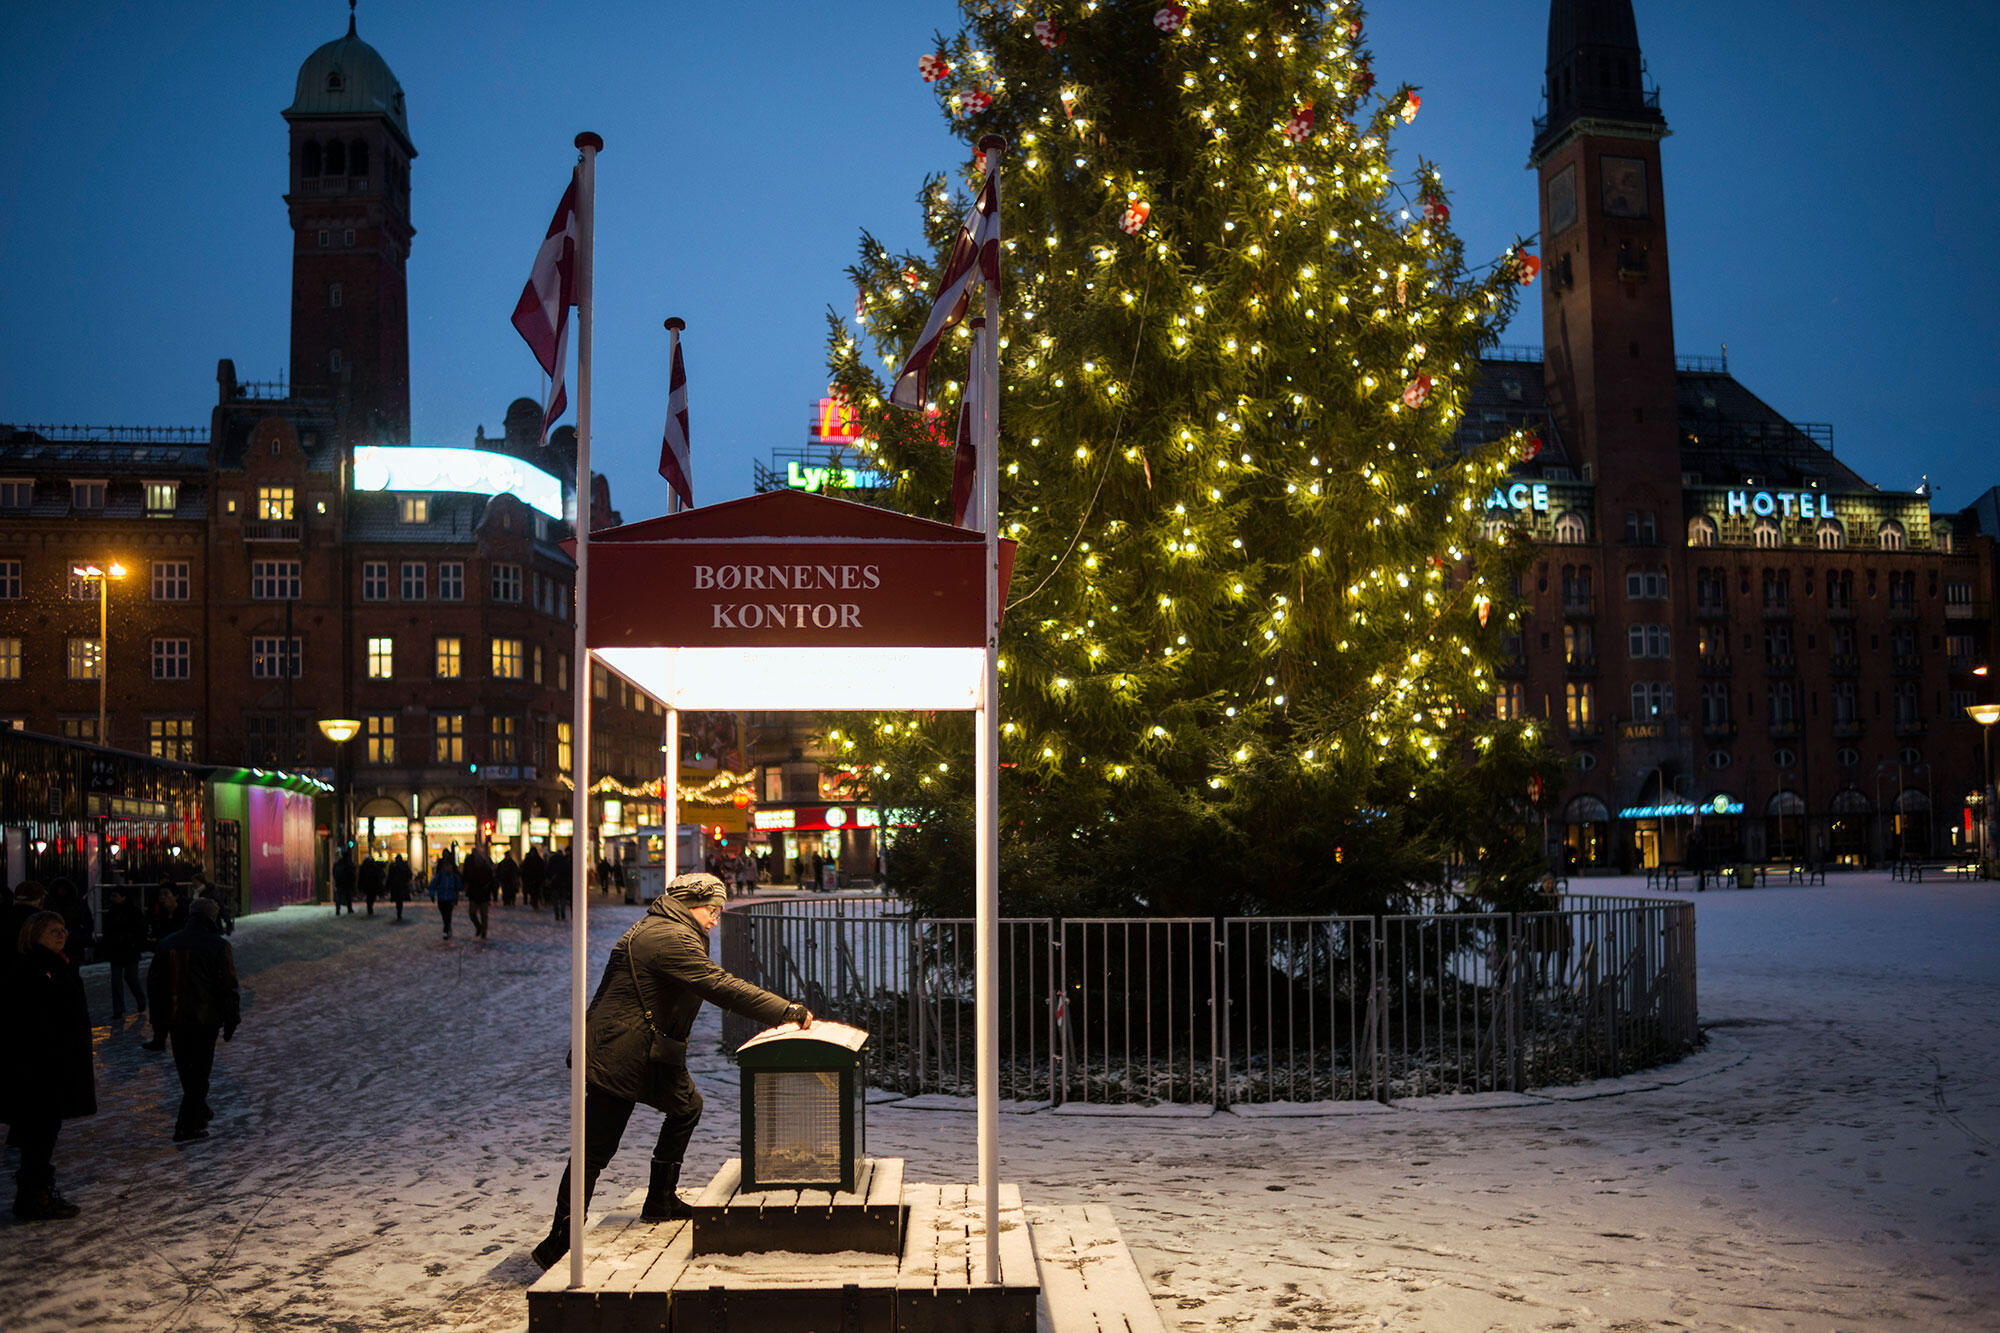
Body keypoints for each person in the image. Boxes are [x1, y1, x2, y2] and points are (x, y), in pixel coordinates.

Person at [529, 872, 811, 1270]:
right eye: (712, 909)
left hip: (650, 1049)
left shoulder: (668, 928)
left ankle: (660, 1199)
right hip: (622, 1051)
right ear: (689, 904)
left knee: (686, 1107)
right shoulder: (668, 937)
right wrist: (785, 1010)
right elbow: (719, 985)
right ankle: (560, 1238)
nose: (716, 918)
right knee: (595, 1147)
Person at [3, 911, 95, 1219]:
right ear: (34, 935)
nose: (60, 935)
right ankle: (34, 1196)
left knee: (43, 1132)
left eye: (63, 929)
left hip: (50, 1064)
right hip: (41, 1067)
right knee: (39, 1133)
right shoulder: (34, 968)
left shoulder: (56, 965)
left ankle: (34, 1193)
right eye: (53, 931)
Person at [149, 897, 241, 1142]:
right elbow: (227, 987)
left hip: (175, 1019)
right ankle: (186, 1125)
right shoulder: (217, 945)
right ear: (212, 917)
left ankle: (198, 1111)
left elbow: (156, 987)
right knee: (199, 1073)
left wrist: (158, 1023)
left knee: (188, 1072)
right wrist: (232, 1018)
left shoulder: (168, 943)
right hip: (205, 1019)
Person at [99, 886, 147, 1023]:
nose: (113, 898)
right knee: (118, 980)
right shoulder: (113, 912)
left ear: (123, 897)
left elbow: (140, 931)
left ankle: (136, 1001)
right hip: (119, 950)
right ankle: (120, 1008)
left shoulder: (131, 912)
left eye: (115, 895)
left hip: (127, 950)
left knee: (129, 978)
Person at [463, 844, 494, 940]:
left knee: (484, 915)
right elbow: (467, 878)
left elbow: (491, 881)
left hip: (483, 895)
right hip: (474, 894)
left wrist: (489, 890)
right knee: (472, 913)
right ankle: (479, 927)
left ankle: (483, 932)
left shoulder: (486, 869)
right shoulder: (472, 869)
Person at [431, 850, 463, 940]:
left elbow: (459, 886)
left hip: (450, 898)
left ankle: (446, 929)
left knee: (448, 914)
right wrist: (432, 895)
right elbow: (433, 885)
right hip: (441, 898)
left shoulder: (454, 877)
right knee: (444, 914)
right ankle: (447, 927)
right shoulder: (441, 876)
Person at [386, 854, 413, 922]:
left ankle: (399, 912)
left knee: (398, 900)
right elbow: (409, 874)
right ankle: (399, 913)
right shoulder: (404, 866)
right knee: (400, 900)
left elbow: (390, 877)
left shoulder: (394, 866)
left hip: (396, 886)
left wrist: (388, 885)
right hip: (401, 886)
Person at [546, 848, 570, 922]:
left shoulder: (551, 861)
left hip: (554, 884)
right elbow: (568, 873)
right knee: (563, 899)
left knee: (555, 900)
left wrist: (549, 879)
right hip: (563, 883)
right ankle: (562, 913)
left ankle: (557, 914)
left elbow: (547, 872)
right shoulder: (565, 861)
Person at [521, 846, 546, 912]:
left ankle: (535, 903)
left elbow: (542, 870)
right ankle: (534, 902)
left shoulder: (536, 860)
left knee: (535, 893)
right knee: (533, 893)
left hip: (536, 880)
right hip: (531, 880)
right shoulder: (532, 860)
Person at [332, 850, 356, 915]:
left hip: (339, 882)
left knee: (339, 896)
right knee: (348, 895)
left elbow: (334, 872)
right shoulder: (348, 864)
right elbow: (352, 874)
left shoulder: (337, 864)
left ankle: (338, 909)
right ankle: (349, 908)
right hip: (347, 882)